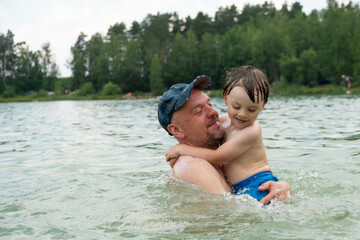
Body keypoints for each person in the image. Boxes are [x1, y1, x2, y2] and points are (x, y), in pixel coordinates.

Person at [158, 73, 291, 205]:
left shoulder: (222, 154)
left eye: (209, 104)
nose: (213, 112)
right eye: (198, 111)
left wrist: (282, 186)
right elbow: (233, 215)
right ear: (176, 130)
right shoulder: (191, 166)